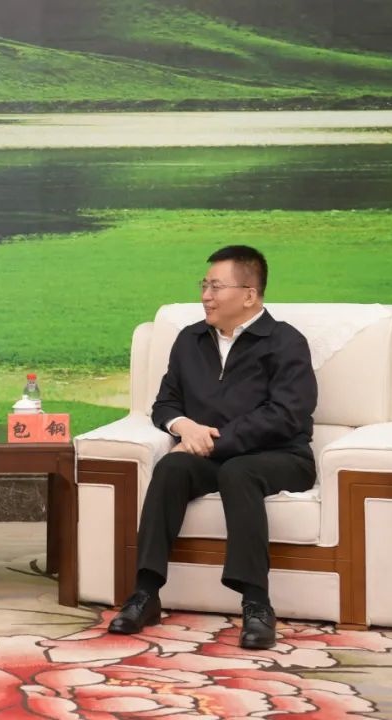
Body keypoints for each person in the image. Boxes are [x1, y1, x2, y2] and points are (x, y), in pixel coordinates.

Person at [108, 245, 317, 649]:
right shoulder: (190, 340)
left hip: (281, 455)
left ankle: (256, 604)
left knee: (239, 472)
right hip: (210, 455)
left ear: (249, 294)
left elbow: (286, 415)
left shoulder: (285, 342)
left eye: (216, 287)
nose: (205, 295)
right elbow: (165, 404)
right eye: (204, 285)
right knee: (170, 468)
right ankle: (145, 593)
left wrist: (212, 441)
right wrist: (184, 427)